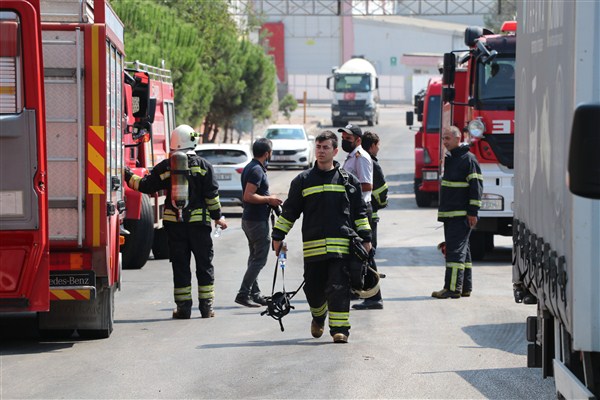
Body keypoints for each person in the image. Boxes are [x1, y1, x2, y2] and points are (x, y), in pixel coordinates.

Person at [271, 130, 372, 344]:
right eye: (318, 147)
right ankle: (318, 316)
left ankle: (340, 329)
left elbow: (360, 212)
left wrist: (366, 238)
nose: (321, 151)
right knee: (313, 289)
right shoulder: (303, 181)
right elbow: (290, 212)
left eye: (326, 147)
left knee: (338, 287)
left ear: (335, 151)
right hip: (313, 248)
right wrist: (277, 236)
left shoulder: (348, 180)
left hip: (341, 248)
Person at [124, 124, 228, 318]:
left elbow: (145, 186)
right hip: (199, 227)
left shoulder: (167, 166)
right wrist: (218, 217)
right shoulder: (205, 166)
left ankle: (183, 308)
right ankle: (207, 308)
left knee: (180, 266)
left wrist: (126, 175)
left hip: (175, 227)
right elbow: (212, 197)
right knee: (204, 265)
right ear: (192, 141)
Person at [432, 126, 482, 299]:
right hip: (451, 213)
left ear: (457, 138)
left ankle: (452, 288)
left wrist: (473, 212)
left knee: (454, 252)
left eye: (447, 138)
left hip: (459, 215)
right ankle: (465, 287)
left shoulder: (468, 159)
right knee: (463, 251)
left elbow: (476, 189)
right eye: (443, 138)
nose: (444, 142)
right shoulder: (452, 158)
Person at [338, 124, 383, 310]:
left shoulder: (361, 157)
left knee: (366, 253)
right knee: (355, 254)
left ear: (358, 140)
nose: (344, 141)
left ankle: (375, 297)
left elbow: (366, 186)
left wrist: (346, 192)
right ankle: (356, 290)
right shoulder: (351, 157)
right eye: (343, 138)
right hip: (353, 210)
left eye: (348, 138)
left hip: (362, 210)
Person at [235, 138, 283, 308]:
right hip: (255, 221)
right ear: (267, 153)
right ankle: (243, 293)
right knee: (259, 259)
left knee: (254, 257)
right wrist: (269, 199)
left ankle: (255, 294)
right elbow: (248, 196)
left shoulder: (253, 167)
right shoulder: (256, 170)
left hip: (251, 220)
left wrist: (269, 200)